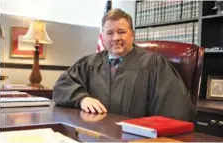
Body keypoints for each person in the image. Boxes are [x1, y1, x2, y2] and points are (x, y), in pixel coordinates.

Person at [53, 8, 196, 122]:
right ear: (103, 37)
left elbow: (174, 110)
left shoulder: (154, 65)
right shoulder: (88, 64)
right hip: (95, 136)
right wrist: (82, 99)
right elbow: (62, 85)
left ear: (132, 35)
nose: (116, 38)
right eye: (110, 33)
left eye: (121, 32)